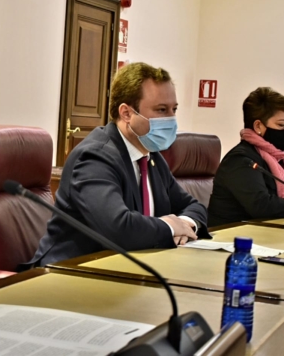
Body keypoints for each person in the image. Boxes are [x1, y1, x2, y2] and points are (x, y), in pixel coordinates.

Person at [24, 62, 209, 268]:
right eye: (161, 110)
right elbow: (118, 228)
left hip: (128, 269)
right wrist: (169, 227)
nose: (171, 119)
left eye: (174, 109)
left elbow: (194, 206)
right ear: (126, 113)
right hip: (70, 274)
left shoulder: (152, 156)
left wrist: (186, 225)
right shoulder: (95, 157)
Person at [208, 87, 284, 227]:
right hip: (228, 239)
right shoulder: (241, 160)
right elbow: (262, 206)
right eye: (281, 125)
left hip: (263, 234)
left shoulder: (278, 159)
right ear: (258, 126)